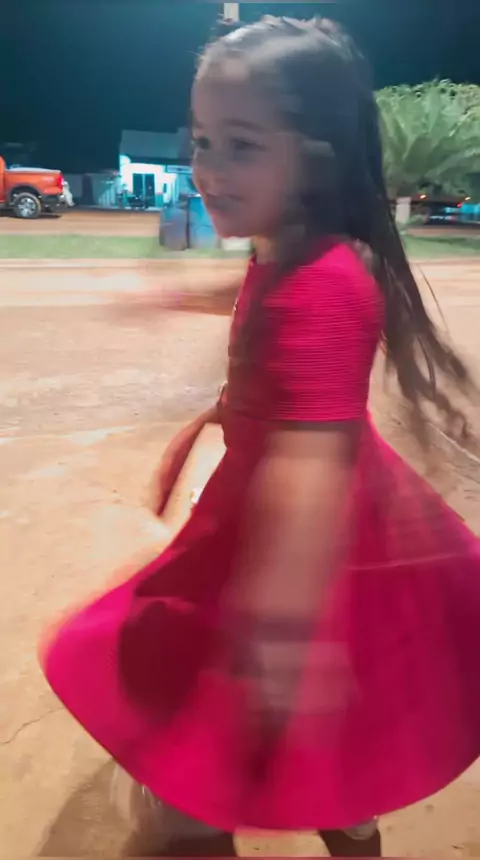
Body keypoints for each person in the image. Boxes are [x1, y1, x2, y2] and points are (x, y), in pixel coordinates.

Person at [41, 16, 480, 858]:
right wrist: (189, 304)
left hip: (302, 533)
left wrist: (282, 627)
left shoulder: (327, 283)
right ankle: (335, 819)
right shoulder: (290, 249)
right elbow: (265, 308)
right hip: (288, 506)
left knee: (219, 745)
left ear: (315, 158)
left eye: (242, 145)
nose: (208, 167)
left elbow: (311, 464)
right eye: (203, 140)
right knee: (320, 756)